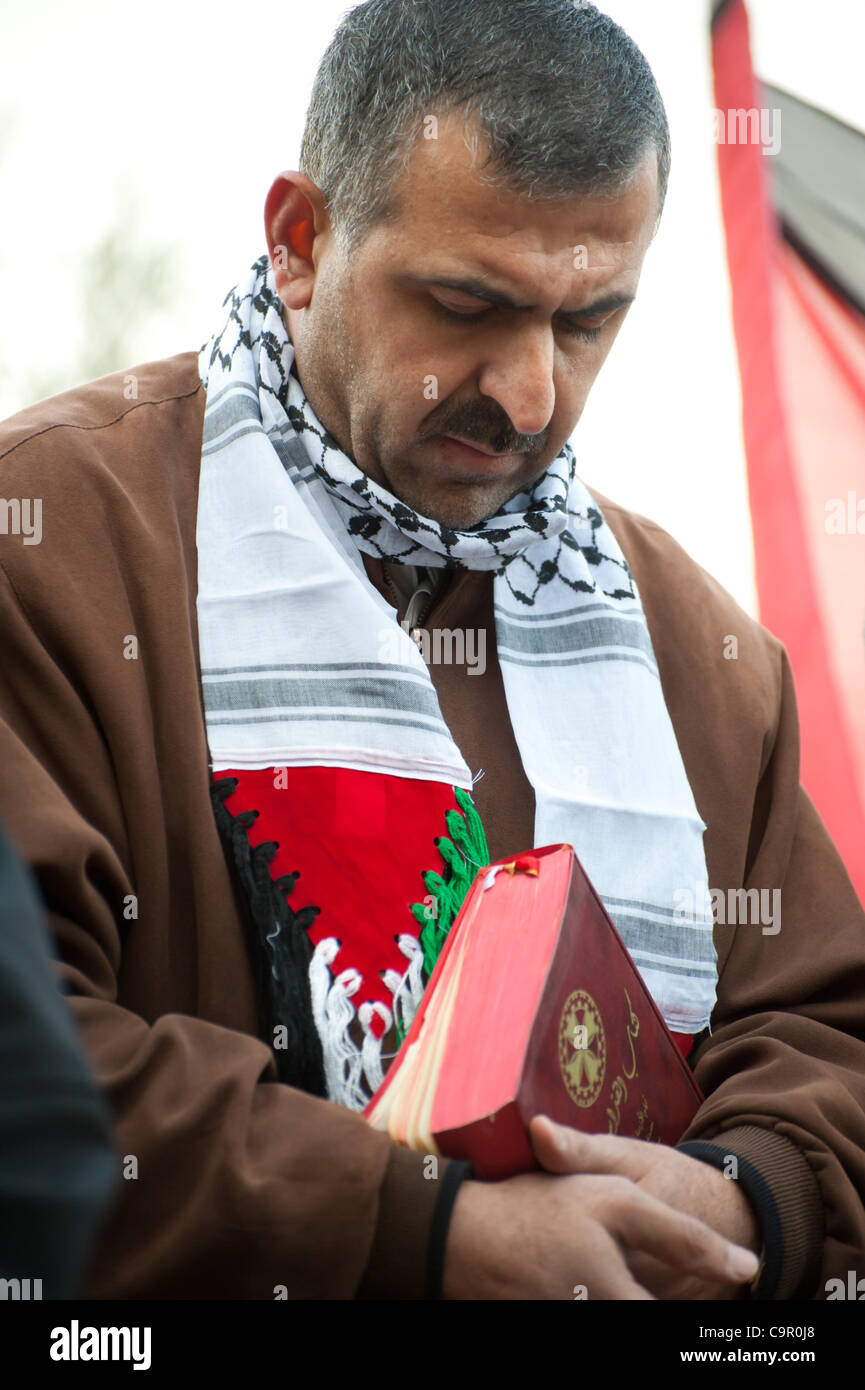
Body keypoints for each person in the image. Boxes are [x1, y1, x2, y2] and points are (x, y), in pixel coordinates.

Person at [0, 0, 863, 1300]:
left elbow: (821, 1035)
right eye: (466, 303)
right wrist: (419, 1233)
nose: (525, 395)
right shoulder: (50, 541)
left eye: (586, 324)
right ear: (299, 239)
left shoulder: (698, 643)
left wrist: (742, 1194)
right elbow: (35, 1072)